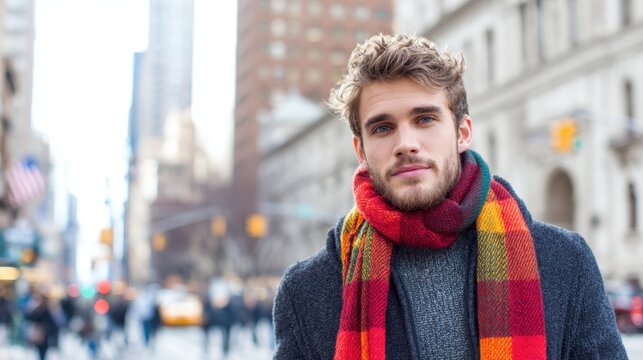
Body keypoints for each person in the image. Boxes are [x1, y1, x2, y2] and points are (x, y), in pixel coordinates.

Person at [272, 34, 627, 359]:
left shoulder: (565, 262)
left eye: (425, 119)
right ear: (360, 150)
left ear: (462, 133)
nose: (406, 144)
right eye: (382, 128)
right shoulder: (308, 291)